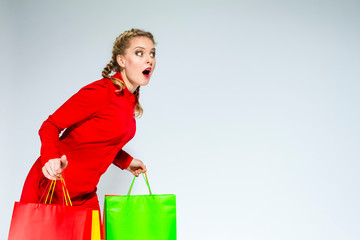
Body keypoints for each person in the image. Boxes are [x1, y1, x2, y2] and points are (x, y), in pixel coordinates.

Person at [20, 28, 156, 214]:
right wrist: (50, 158)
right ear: (121, 60)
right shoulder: (102, 92)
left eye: (152, 54)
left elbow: (101, 139)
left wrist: (127, 161)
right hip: (53, 188)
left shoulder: (129, 101)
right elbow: (50, 124)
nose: (149, 59)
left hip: (85, 195)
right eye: (139, 53)